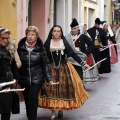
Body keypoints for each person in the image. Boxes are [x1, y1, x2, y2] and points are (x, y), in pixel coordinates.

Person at [38, 25, 89, 120]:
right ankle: (53, 111)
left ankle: (60, 108)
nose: (56, 33)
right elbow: (43, 55)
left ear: (61, 33)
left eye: (58, 31)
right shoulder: (48, 42)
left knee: (62, 89)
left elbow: (73, 54)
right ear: (52, 32)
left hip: (63, 69)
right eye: (54, 31)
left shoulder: (64, 42)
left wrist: (82, 63)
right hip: (51, 68)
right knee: (51, 90)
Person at [17, 26, 53, 120]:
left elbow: (45, 64)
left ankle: (32, 118)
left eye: (33, 34)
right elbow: (16, 63)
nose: (30, 36)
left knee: (33, 97)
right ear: (26, 35)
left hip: (37, 78)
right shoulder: (20, 48)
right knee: (27, 100)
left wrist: (49, 78)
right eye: (29, 34)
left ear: (36, 36)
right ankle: (30, 117)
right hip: (24, 78)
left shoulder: (41, 49)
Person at [65, 18, 99, 83]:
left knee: (79, 77)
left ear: (78, 28)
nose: (73, 30)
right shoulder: (67, 37)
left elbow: (92, 46)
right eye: (72, 28)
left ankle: (80, 89)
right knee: (70, 77)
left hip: (80, 59)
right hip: (70, 59)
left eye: (75, 28)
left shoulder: (83, 36)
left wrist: (85, 54)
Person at [0, 27, 19, 120]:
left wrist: (17, 79)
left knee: (6, 110)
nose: (5, 40)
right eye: (2, 38)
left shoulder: (9, 49)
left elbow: (13, 66)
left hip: (7, 83)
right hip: (1, 82)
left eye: (7, 38)